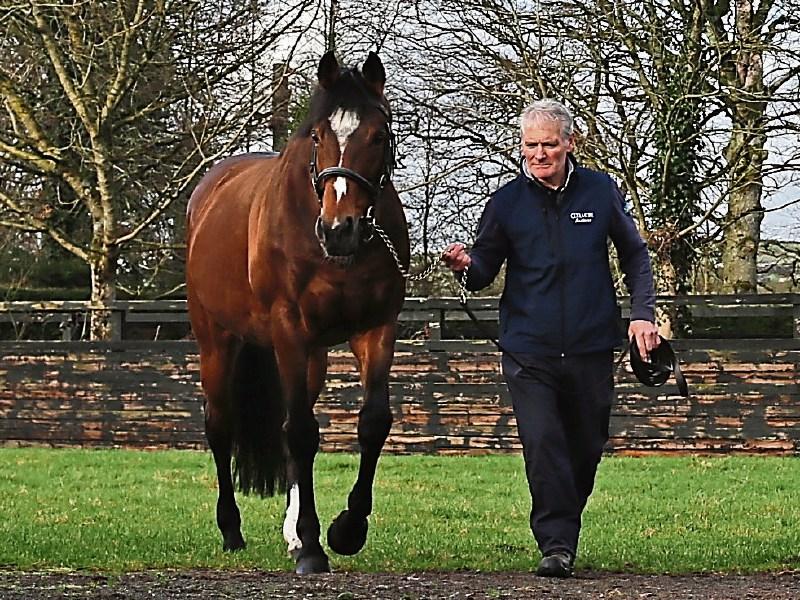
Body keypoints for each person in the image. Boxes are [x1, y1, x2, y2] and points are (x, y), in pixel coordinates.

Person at [441, 99, 660, 578]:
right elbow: (483, 270)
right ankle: (556, 545)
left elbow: (636, 258)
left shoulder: (601, 192)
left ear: (569, 144)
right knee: (543, 444)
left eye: (548, 145)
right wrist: (464, 267)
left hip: (591, 345)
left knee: (584, 446)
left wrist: (643, 314)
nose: (538, 154)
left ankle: (564, 526)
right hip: (528, 348)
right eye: (530, 146)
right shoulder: (506, 203)